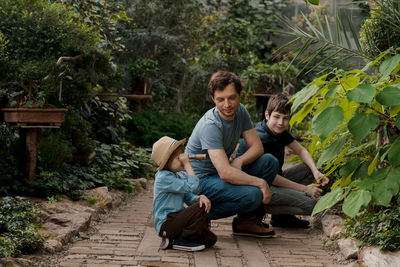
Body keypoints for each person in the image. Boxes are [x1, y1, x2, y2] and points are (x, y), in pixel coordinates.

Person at [185, 71, 279, 237]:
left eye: (232, 98)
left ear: (240, 95)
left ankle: (246, 220)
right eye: (220, 99)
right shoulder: (211, 125)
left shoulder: (241, 112)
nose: (227, 104)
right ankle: (197, 215)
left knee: (269, 162)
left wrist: (240, 161)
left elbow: (257, 147)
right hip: (199, 181)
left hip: (219, 174)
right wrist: (261, 183)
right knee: (253, 194)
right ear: (213, 99)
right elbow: (225, 173)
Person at [236, 93, 329, 228]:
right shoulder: (261, 137)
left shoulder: (279, 131)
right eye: (276, 117)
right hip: (258, 188)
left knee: (309, 168)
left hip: (273, 180)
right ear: (267, 115)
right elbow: (272, 178)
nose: (281, 122)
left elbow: (301, 150)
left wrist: (316, 172)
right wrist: (304, 189)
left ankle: (281, 218)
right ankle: (262, 210)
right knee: (312, 205)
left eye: (285, 118)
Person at [151, 136, 217, 251]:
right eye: (179, 158)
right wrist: (187, 164)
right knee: (200, 207)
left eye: (183, 155)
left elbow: (189, 198)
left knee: (210, 240)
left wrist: (199, 198)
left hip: (176, 220)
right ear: (167, 162)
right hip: (167, 223)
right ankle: (180, 240)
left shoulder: (175, 175)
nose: (183, 159)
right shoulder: (163, 177)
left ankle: (173, 239)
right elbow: (194, 186)